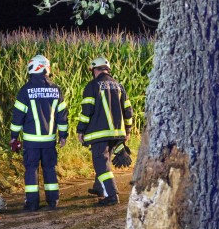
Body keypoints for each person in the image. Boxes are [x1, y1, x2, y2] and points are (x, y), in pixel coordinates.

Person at [9, 55, 68, 211]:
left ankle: (32, 203)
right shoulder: (56, 90)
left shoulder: (25, 91)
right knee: (49, 169)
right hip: (49, 141)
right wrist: (63, 136)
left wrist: (13, 136)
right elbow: (62, 116)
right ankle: (53, 201)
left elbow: (17, 117)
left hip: (31, 142)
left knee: (31, 170)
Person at [77, 56, 133, 206]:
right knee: (104, 161)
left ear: (94, 70)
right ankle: (99, 188)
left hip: (99, 133)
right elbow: (128, 110)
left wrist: (80, 130)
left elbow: (87, 110)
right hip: (117, 133)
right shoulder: (119, 86)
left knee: (101, 164)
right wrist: (127, 130)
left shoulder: (92, 85)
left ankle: (112, 195)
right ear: (107, 69)